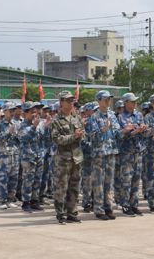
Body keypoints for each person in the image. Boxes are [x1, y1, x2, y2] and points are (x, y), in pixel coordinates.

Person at [50, 91, 86, 224]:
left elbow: (83, 134)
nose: (71, 102)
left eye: (72, 100)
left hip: (76, 158)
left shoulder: (77, 118)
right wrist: (74, 136)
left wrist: (81, 135)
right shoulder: (56, 120)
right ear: (61, 102)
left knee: (75, 187)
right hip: (63, 160)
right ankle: (61, 214)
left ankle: (72, 213)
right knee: (61, 187)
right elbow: (57, 139)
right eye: (68, 100)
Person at [86, 91, 121, 220]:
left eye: (109, 99)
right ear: (99, 101)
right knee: (98, 182)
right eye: (105, 99)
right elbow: (92, 137)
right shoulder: (94, 117)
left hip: (111, 152)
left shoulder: (112, 115)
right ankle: (99, 209)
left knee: (109, 182)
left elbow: (118, 132)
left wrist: (128, 130)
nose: (108, 101)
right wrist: (103, 130)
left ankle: (108, 207)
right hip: (99, 153)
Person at [116, 92, 146, 216]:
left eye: (135, 102)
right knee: (126, 180)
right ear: (126, 103)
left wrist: (143, 129)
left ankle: (134, 204)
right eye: (132, 101)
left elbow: (143, 131)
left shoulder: (138, 115)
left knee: (136, 179)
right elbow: (119, 135)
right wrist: (132, 131)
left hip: (137, 151)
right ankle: (125, 204)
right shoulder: (120, 117)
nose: (134, 104)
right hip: (126, 152)